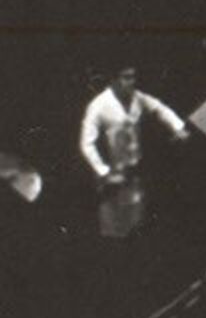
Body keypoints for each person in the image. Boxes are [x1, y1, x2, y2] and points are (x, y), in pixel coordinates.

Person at [79, 67, 190, 239]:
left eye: (133, 77)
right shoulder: (98, 106)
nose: (131, 82)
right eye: (126, 78)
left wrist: (178, 127)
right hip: (112, 172)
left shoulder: (138, 98)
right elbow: (86, 144)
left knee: (136, 213)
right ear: (113, 80)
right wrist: (103, 171)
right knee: (114, 219)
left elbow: (160, 109)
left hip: (135, 167)